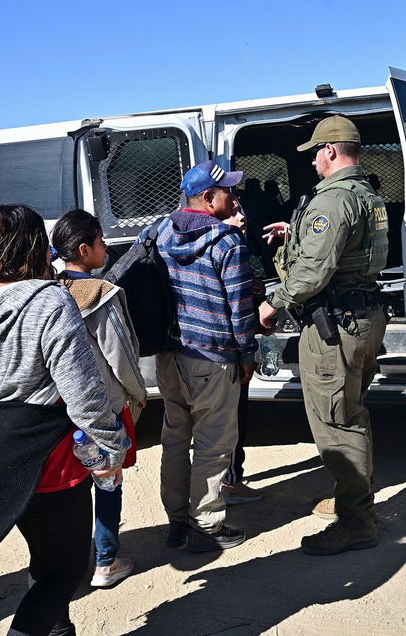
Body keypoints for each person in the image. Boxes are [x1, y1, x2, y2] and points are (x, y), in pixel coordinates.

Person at [0, 204, 126, 636]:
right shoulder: (50, 300)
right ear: (38, 246)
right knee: (66, 568)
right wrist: (111, 448)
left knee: (44, 555)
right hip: (43, 460)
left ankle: (59, 631)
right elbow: (83, 391)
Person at [257, 115, 389, 556]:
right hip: (364, 316)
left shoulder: (332, 201)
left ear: (331, 151)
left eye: (316, 151)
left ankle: (356, 522)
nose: (313, 160)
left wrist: (271, 302)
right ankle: (355, 497)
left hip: (337, 325)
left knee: (336, 422)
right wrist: (293, 232)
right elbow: (345, 246)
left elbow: (314, 270)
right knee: (351, 412)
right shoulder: (366, 194)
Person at [147, 160, 257, 552]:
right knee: (213, 443)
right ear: (209, 199)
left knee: (175, 438)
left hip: (169, 355)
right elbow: (240, 307)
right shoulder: (228, 243)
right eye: (228, 190)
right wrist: (247, 352)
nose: (235, 196)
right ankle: (207, 526)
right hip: (212, 358)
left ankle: (177, 522)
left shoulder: (159, 231)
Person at [52, 209, 148, 587]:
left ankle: (72, 564)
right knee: (108, 481)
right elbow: (120, 354)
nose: (105, 246)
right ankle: (105, 561)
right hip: (103, 406)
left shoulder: (49, 290)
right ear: (83, 249)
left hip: (63, 407)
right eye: (99, 241)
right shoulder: (100, 295)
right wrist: (138, 394)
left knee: (73, 487)